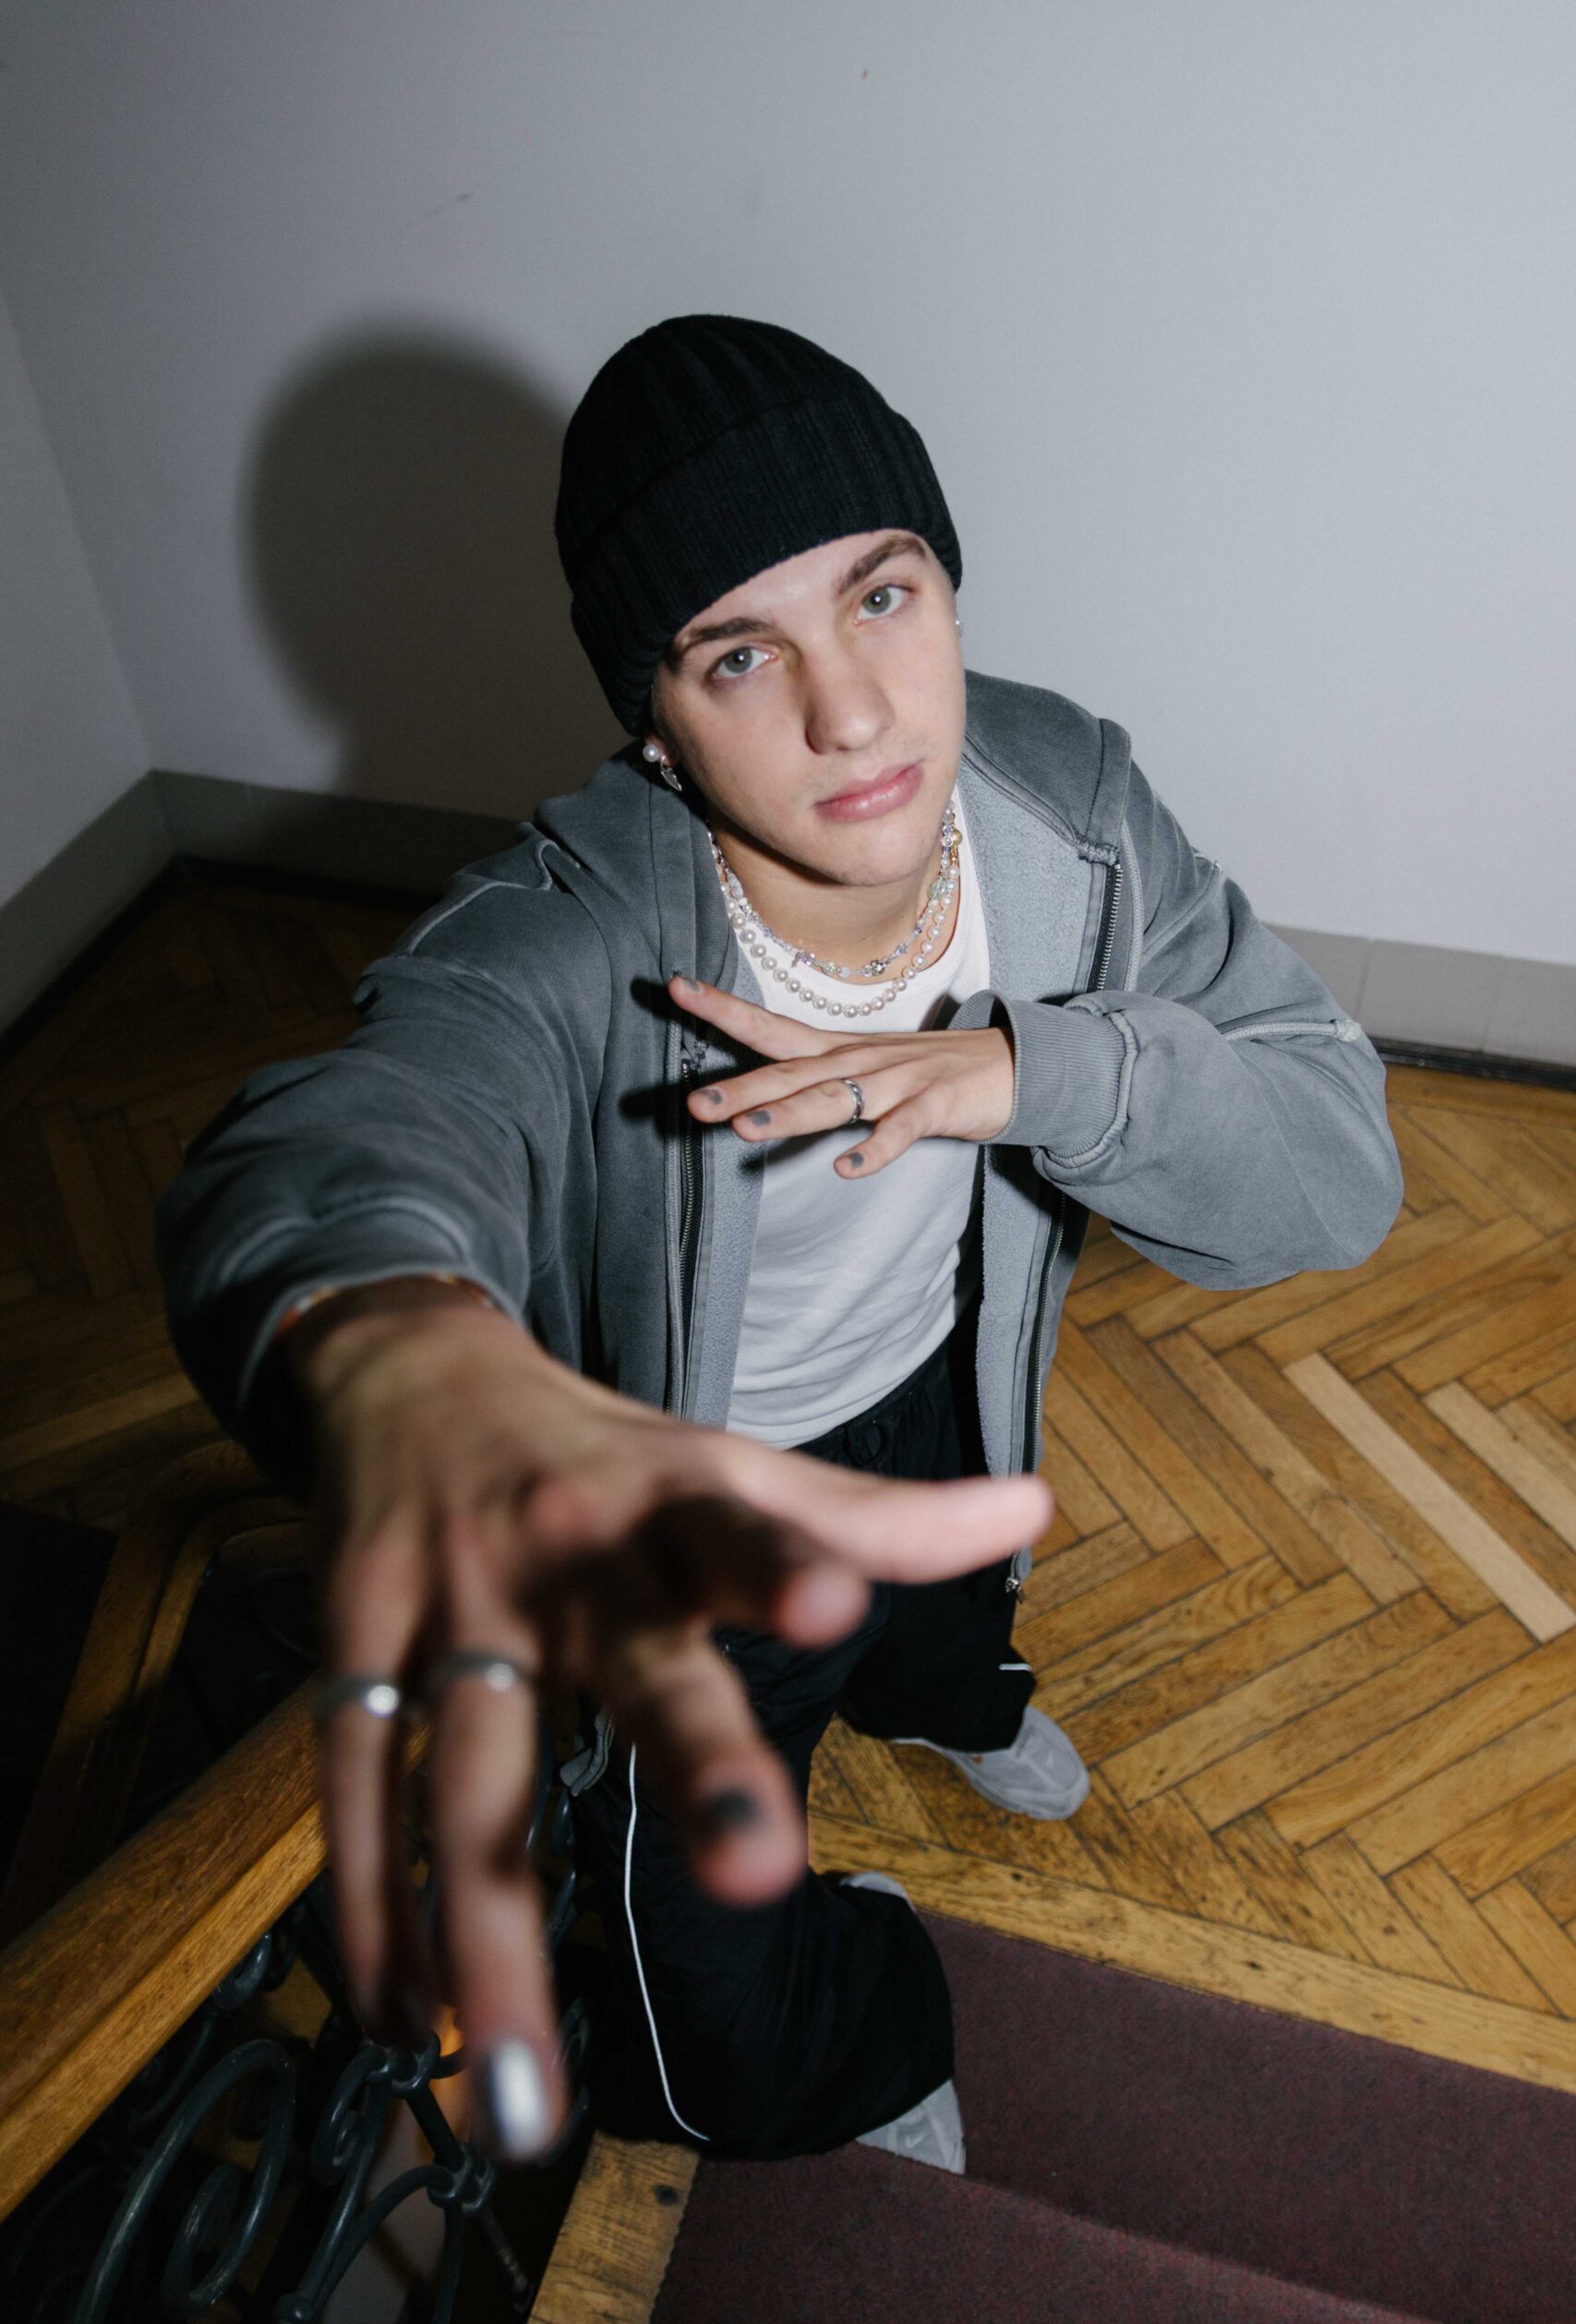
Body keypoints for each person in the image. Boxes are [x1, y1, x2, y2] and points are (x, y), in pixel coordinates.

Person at [155, 312, 1404, 2176]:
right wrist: (396, 1338)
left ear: (948, 589)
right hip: (707, 1498)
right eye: (741, 652)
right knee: (712, 2005)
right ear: (652, 717)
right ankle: (859, 2020)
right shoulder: (570, 932)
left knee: (948, 1608)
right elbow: (362, 1128)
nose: (852, 712)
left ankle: (951, 1697)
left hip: (947, 1383)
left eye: (881, 596)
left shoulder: (1065, 810)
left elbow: (1339, 1166)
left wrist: (1032, 1071)